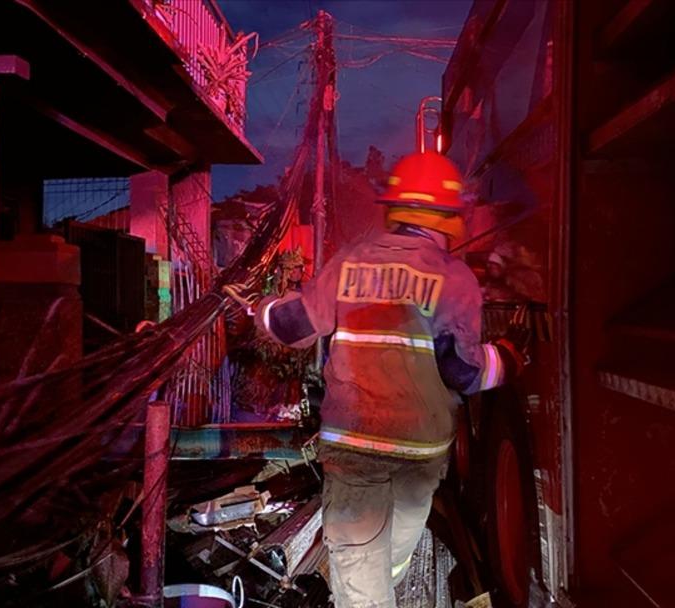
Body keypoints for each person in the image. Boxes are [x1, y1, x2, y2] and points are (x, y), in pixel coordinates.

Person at [224, 151, 527, 607]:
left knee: (363, 581)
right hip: (420, 457)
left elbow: (291, 325)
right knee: (388, 565)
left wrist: (256, 307)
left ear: (394, 208)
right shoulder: (454, 277)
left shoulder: (349, 262)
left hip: (357, 451)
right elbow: (463, 372)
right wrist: (508, 359)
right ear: (448, 215)